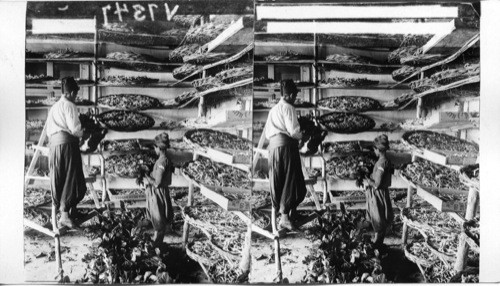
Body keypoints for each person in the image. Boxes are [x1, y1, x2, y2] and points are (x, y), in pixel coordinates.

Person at [264, 79, 307, 231]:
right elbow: (294, 131)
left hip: (273, 149)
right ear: (288, 95)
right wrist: (303, 137)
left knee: (279, 181)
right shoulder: (288, 107)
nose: (295, 99)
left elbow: (268, 133)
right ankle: (284, 218)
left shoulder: (273, 109)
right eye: (294, 96)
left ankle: (287, 215)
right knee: (292, 181)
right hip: (286, 148)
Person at [47, 77, 87, 229]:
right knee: (72, 177)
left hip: (55, 147)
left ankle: (66, 212)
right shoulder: (69, 105)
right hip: (67, 145)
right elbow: (75, 129)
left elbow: (50, 130)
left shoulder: (55, 106)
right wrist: (84, 133)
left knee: (60, 178)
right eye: (75, 94)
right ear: (70, 93)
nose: (76, 97)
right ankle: (64, 215)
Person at [144, 132, 175, 246]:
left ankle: (156, 245)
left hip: (158, 193)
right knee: (159, 219)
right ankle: (157, 244)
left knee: (158, 220)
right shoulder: (165, 159)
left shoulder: (162, 161)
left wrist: (146, 176)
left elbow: (157, 183)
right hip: (160, 192)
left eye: (155, 148)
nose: (155, 150)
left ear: (158, 148)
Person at [364, 134, 394, 248]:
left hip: (378, 194)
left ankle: (377, 244)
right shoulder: (386, 160)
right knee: (380, 219)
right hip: (382, 193)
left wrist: (367, 179)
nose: (374, 151)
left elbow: (377, 184)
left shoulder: (381, 163)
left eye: (374, 149)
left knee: (378, 219)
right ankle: (379, 243)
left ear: (378, 149)